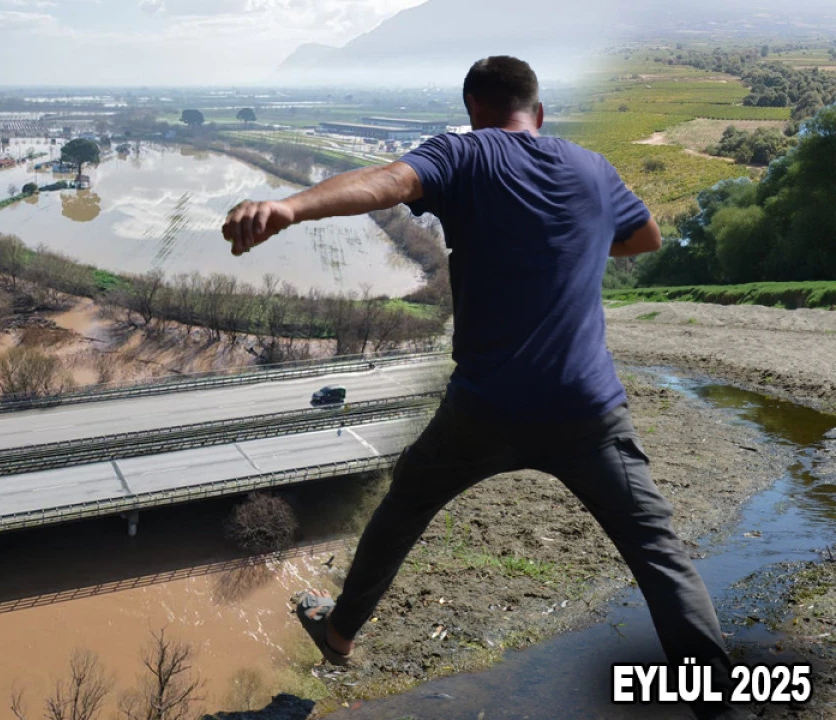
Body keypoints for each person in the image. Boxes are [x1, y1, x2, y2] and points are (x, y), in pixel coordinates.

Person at [222, 56, 744, 720]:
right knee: (658, 554)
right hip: (586, 407)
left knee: (403, 509)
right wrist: (573, 242)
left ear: (473, 110)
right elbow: (646, 236)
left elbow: (385, 183)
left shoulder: (463, 156)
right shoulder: (592, 168)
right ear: (539, 112)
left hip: (485, 409)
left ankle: (339, 631)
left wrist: (289, 207)